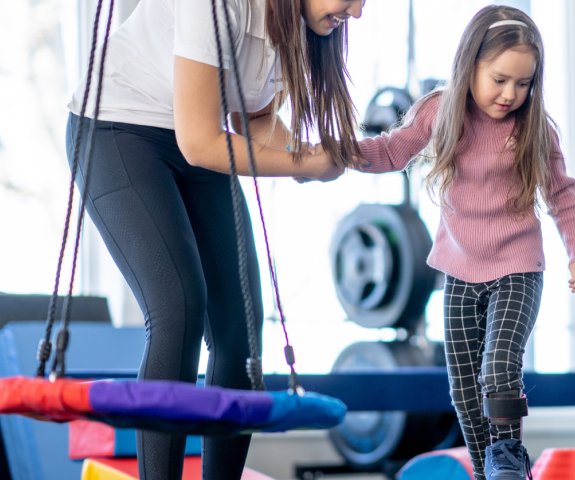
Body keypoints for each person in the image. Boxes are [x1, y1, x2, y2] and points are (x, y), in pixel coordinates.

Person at [64, 0, 358, 478]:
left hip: (191, 142)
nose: (359, 11)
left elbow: (255, 120)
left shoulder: (293, 26)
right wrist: (304, 164)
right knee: (178, 307)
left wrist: (315, 154)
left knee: (240, 328)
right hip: (117, 129)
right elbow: (200, 141)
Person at [318, 6, 575, 479]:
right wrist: (341, 150)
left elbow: (562, 196)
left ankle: (508, 456)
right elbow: (391, 150)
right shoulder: (439, 112)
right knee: (464, 387)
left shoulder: (534, 129)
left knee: (499, 362)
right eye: (500, 79)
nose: (511, 94)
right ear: (470, 65)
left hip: (518, 266)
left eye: (524, 84)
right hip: (460, 270)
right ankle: (487, 464)